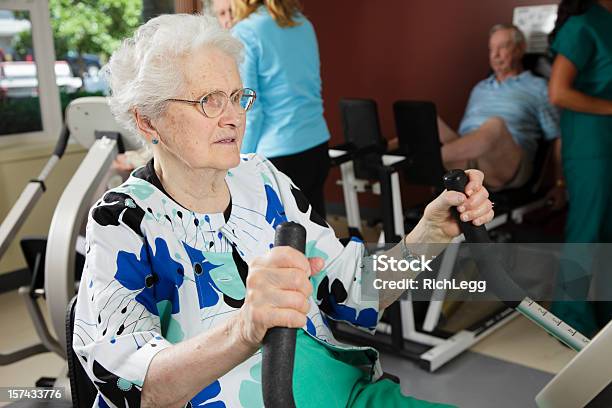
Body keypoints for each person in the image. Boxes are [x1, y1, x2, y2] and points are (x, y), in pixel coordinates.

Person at [73, 14, 494, 408]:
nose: (234, 117)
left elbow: (355, 291)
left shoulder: (263, 180)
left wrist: (431, 234)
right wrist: (244, 329)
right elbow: (132, 389)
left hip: (346, 395)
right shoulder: (123, 221)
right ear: (148, 121)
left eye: (238, 97)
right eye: (209, 101)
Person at [433, 25, 564, 194]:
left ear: (519, 49)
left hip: (505, 164)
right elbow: (463, 137)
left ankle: (424, 159)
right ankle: (390, 156)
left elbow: (558, 137)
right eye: (491, 49)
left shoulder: (539, 87)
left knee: (495, 125)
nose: (495, 55)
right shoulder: (480, 88)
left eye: (502, 47)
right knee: (427, 121)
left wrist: (560, 184)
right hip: (465, 158)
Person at [231, 0, 332, 218]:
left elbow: (251, 107)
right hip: (317, 144)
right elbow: (314, 85)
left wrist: (237, 160)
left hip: (278, 156)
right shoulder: (303, 24)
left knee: (281, 243)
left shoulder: (246, 31)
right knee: (318, 237)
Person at [548, 0, 612, 336]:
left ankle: (602, 316)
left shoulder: (606, 22)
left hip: (607, 144)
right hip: (590, 147)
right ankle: (568, 321)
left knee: (605, 233)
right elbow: (558, 92)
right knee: (586, 233)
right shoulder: (584, 24)